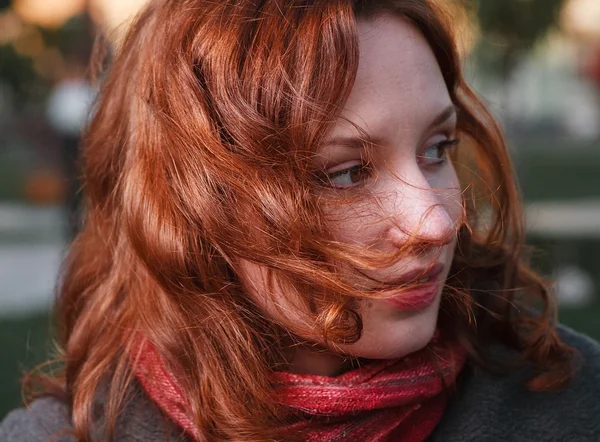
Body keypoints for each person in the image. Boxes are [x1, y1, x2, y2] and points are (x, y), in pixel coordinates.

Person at [2, 0, 600, 441]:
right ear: (195, 204)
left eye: (436, 147)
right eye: (346, 173)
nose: (435, 222)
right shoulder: (70, 433)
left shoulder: (570, 400)